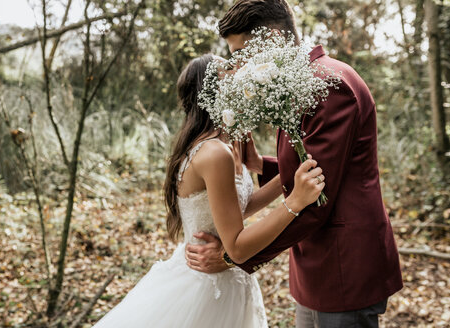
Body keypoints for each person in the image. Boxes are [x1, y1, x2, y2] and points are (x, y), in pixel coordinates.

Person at [185, 1, 403, 327]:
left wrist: (233, 255)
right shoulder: (300, 81)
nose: (240, 65)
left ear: (272, 37)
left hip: (343, 266)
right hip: (318, 265)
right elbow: (311, 163)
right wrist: (263, 165)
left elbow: (315, 194)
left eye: (242, 51)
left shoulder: (328, 85)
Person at [93, 54, 326, 328]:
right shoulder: (214, 153)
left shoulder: (229, 143)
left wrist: (290, 175)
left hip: (230, 280)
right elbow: (236, 246)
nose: (240, 69)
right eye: (229, 67)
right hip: (205, 286)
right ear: (212, 89)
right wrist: (294, 202)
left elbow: (237, 207)